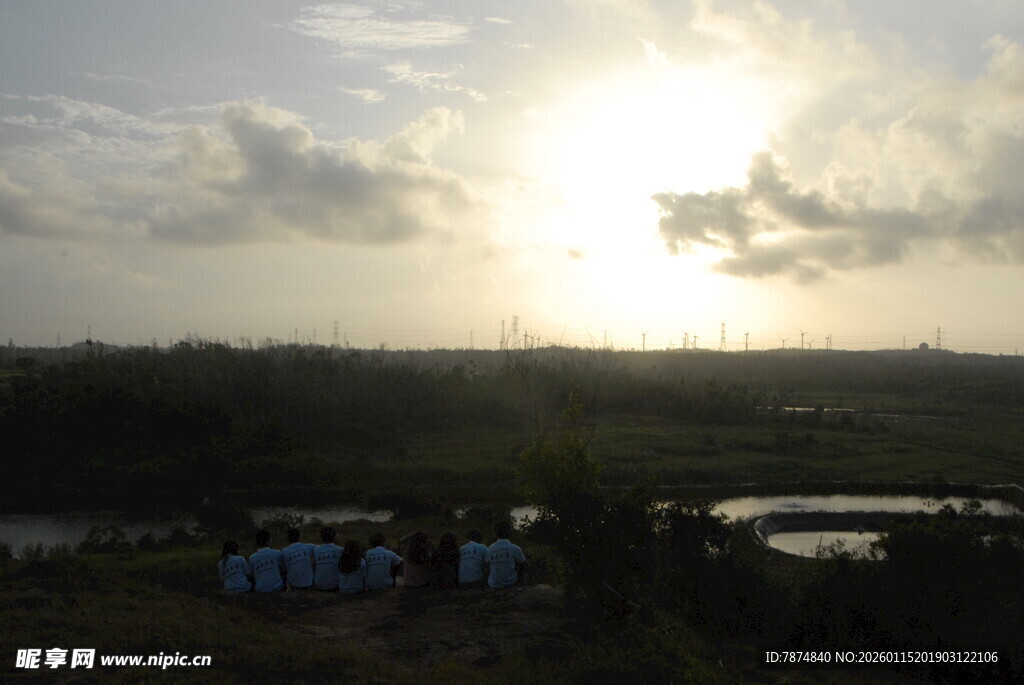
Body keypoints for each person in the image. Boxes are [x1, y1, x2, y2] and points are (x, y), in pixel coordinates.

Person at [486, 521, 526, 589]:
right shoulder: (514, 548)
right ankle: (520, 586)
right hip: (510, 583)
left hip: (493, 584)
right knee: (520, 563)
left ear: (495, 534)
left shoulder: (490, 548)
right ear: (509, 533)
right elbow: (525, 565)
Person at [313, 526, 343, 591]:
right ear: (334, 536)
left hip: (319, 585)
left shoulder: (316, 550)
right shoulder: (340, 550)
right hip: (335, 586)